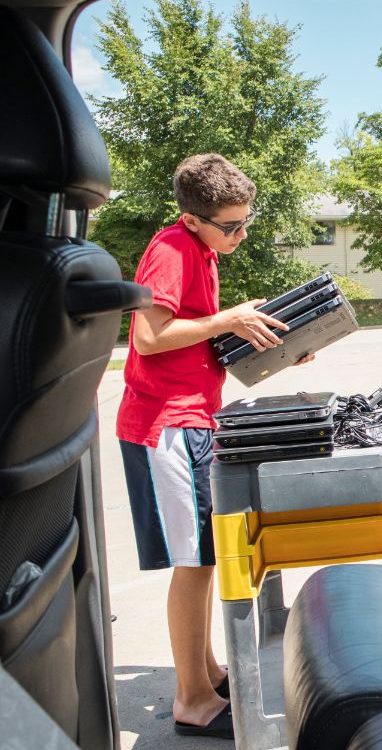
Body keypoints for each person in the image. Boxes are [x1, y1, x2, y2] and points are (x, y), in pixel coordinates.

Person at [116, 153, 311, 740]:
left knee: (204, 554)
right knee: (195, 562)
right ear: (191, 217)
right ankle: (193, 701)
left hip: (195, 418)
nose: (242, 234)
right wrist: (227, 319)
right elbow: (149, 339)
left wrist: (277, 345)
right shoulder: (172, 250)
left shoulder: (200, 248)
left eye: (246, 221)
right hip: (165, 426)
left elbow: (196, 344)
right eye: (231, 225)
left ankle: (205, 671)